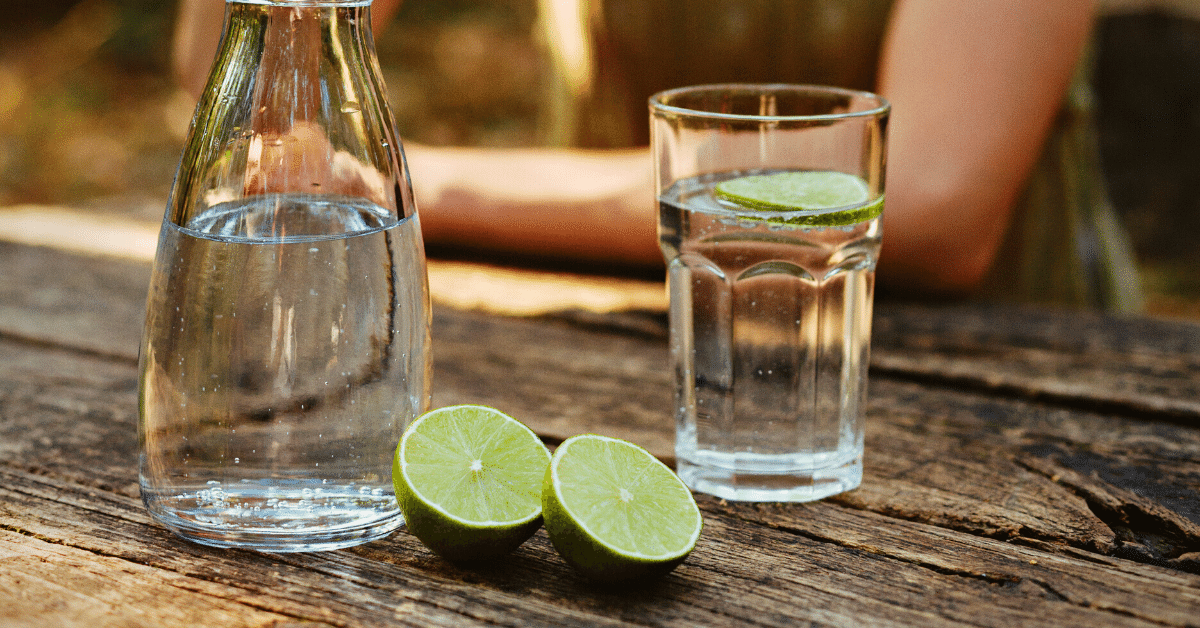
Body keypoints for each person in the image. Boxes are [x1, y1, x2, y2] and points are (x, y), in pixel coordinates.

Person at [171, 0, 1141, 309]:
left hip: (1011, 395)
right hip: (610, 355)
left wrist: (397, 181)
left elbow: (925, 195)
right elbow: (250, 74)